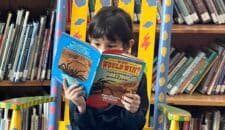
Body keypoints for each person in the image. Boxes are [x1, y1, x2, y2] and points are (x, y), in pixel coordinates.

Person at [63, 6, 149, 130]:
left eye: (111, 45)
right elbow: (77, 127)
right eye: (97, 44)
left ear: (127, 46)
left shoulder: (137, 77)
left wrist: (133, 112)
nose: (102, 51)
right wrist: (80, 107)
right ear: (89, 41)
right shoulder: (82, 71)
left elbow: (136, 126)